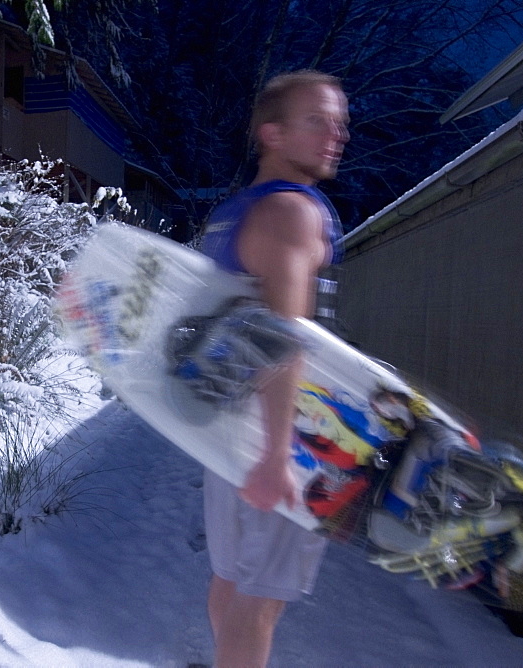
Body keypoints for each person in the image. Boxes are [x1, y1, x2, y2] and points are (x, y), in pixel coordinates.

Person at [200, 70, 349, 667]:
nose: (335, 135)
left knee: (233, 585)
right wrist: (277, 455)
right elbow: (284, 335)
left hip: (229, 421)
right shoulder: (292, 212)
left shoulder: (232, 213)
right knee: (260, 602)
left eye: (340, 123)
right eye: (317, 120)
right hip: (284, 429)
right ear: (272, 132)